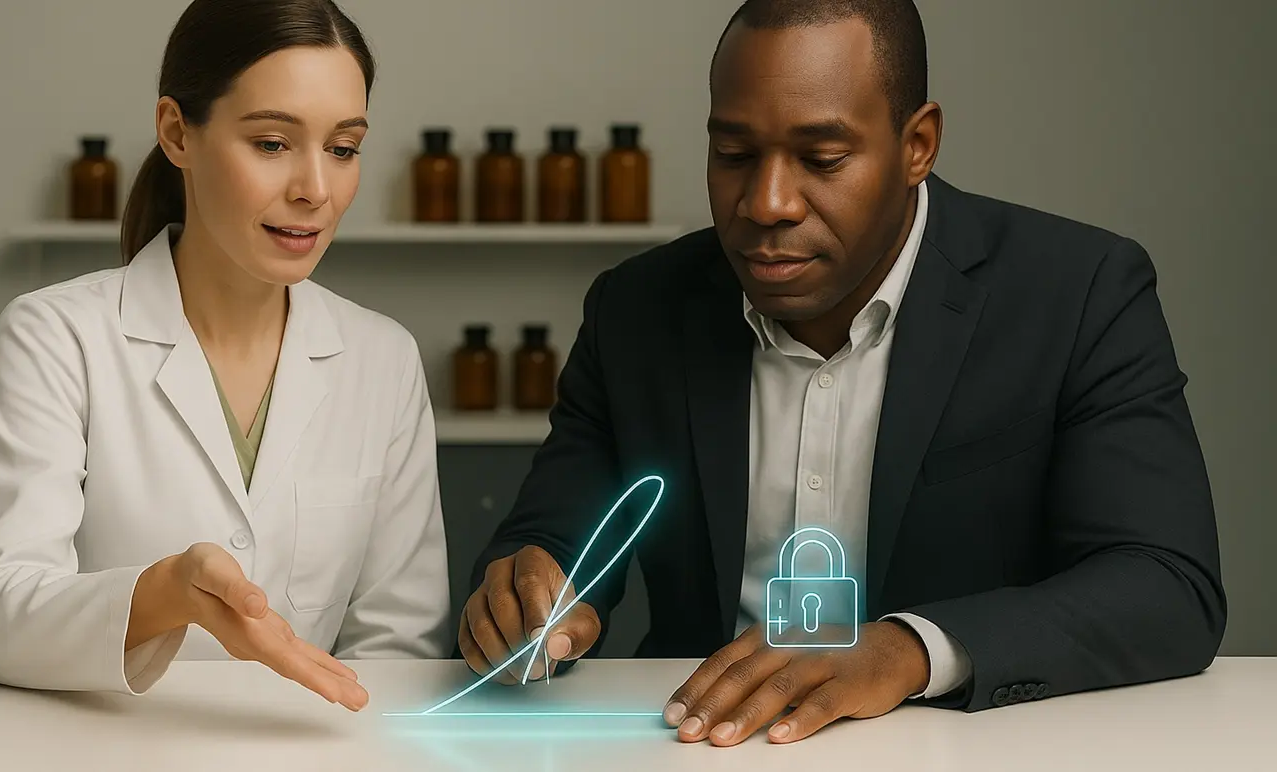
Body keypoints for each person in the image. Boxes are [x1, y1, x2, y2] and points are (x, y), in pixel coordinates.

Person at [460, 0, 1226, 746]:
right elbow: (551, 539)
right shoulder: (638, 309)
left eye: (822, 160)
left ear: (918, 143)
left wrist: (908, 651)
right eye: (732, 154)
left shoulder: (1078, 292)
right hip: (697, 741)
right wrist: (526, 598)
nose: (766, 203)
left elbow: (1166, 585)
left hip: (975, 744)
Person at [0, 0, 449, 712]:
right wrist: (161, 595)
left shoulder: (384, 360)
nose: (315, 189)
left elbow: (399, 642)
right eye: (273, 143)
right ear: (177, 132)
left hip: (313, 754)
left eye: (342, 148)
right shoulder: (55, 336)